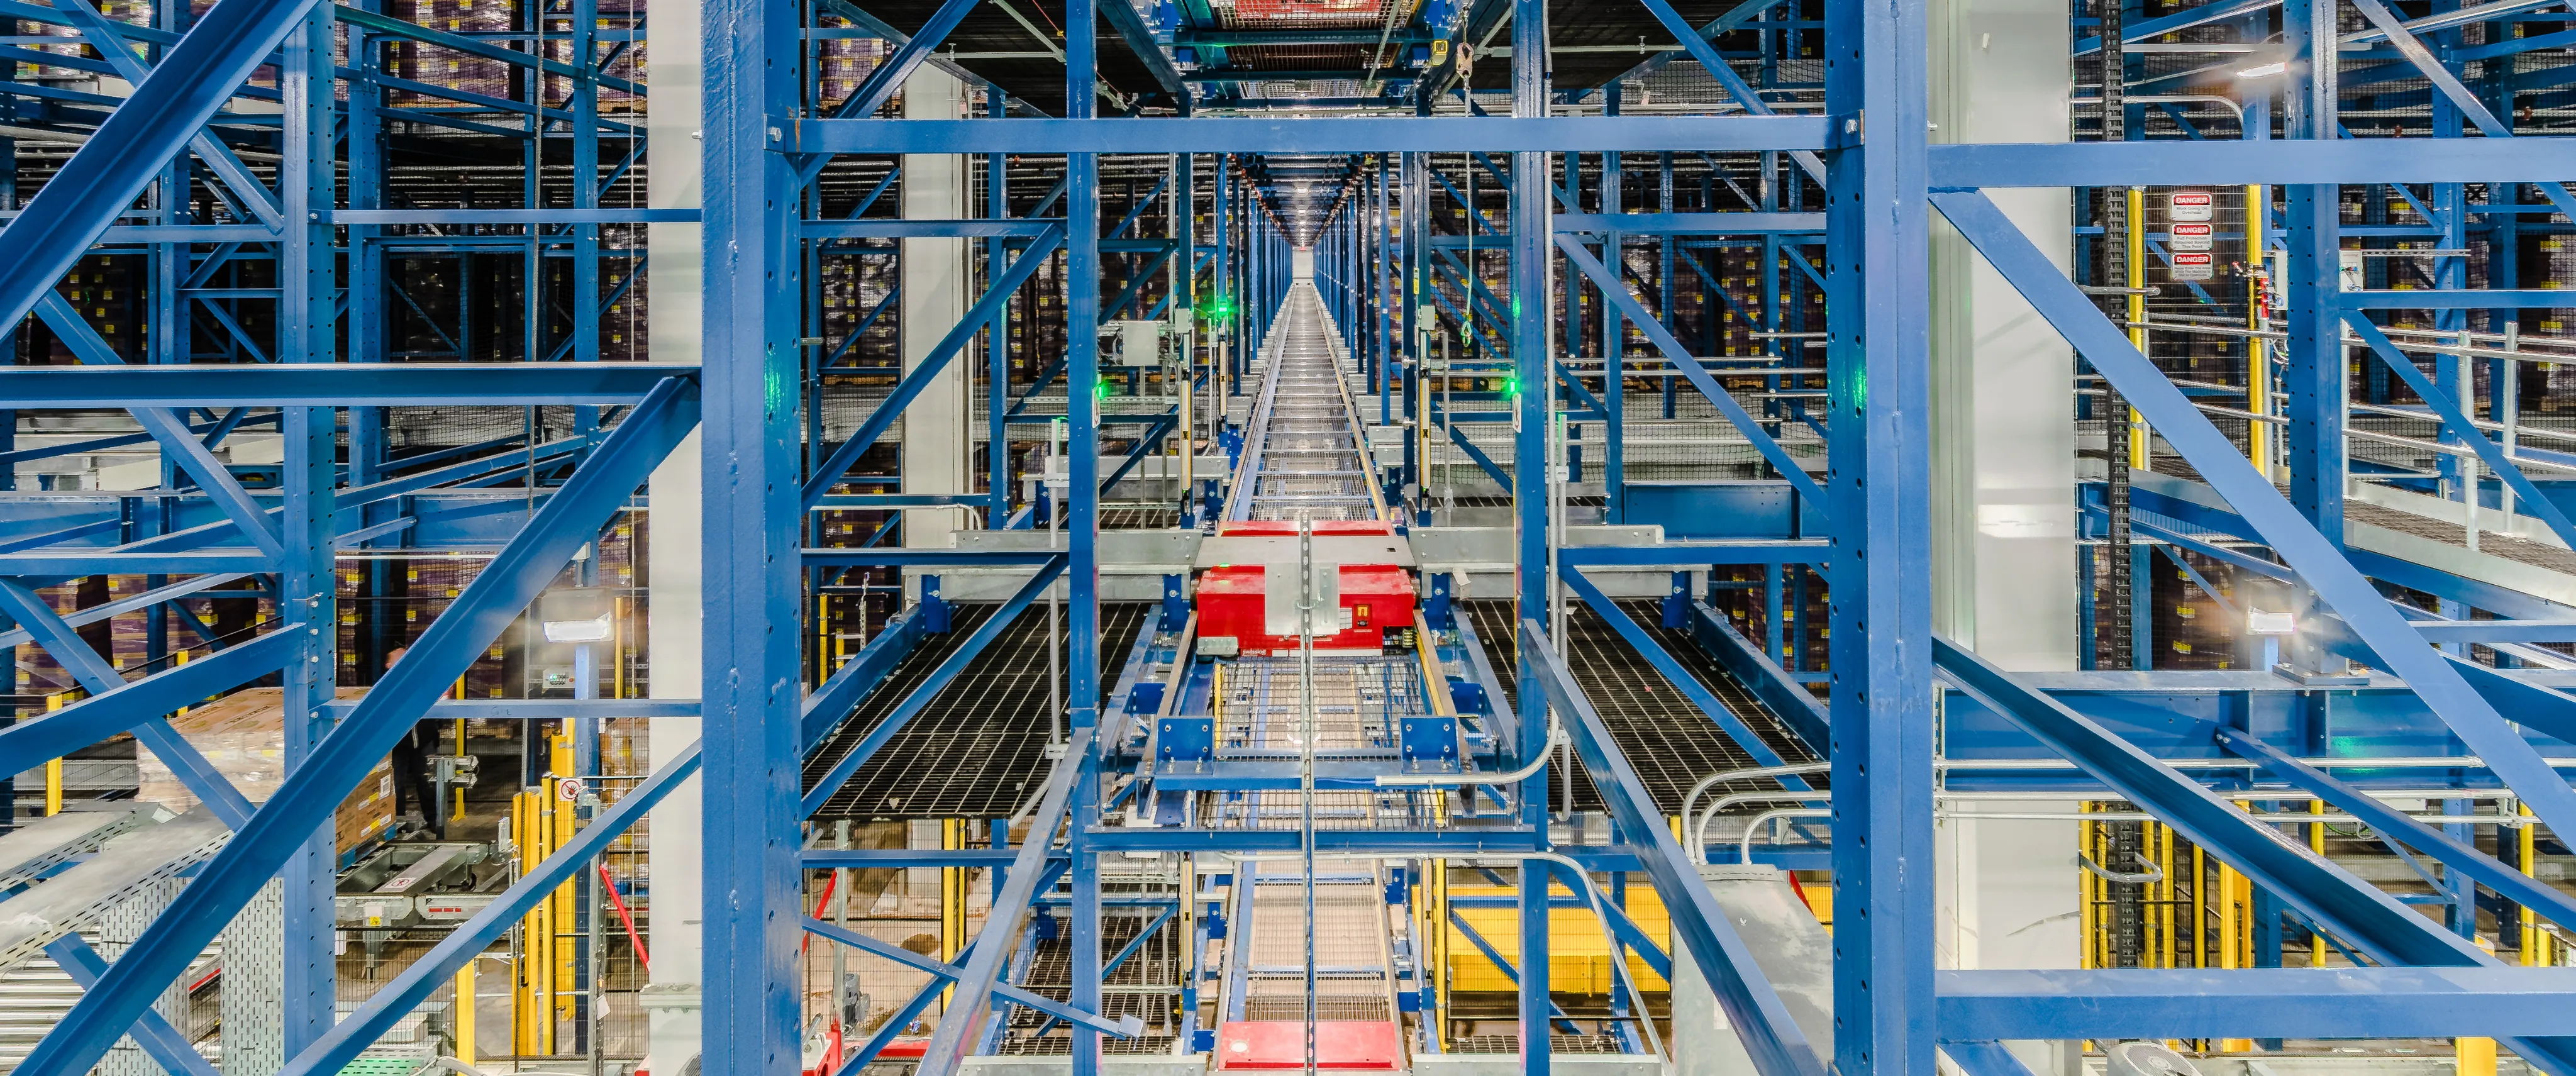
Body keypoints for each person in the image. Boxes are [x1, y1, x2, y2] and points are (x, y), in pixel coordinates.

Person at [382, 646, 448, 839]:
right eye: (399, 657)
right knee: (397, 784)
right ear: (389, 665)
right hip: (397, 745)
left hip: (424, 741)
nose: (405, 659)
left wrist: (435, 729)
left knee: (427, 781)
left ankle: (434, 821)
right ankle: (398, 823)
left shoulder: (422, 681)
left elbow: (439, 702)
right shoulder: (385, 688)